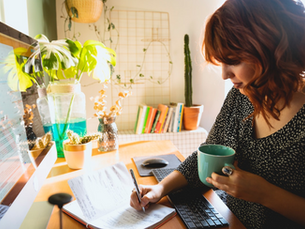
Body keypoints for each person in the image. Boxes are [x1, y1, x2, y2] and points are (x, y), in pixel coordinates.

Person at [130, 0, 305, 228]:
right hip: (222, 216)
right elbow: (206, 156)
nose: (224, 74)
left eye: (233, 61)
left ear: (269, 49)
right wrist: (159, 189)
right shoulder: (241, 96)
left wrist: (264, 193)